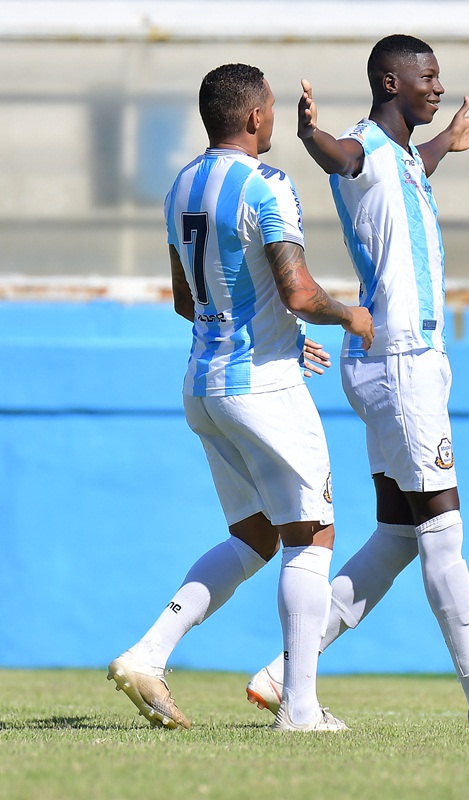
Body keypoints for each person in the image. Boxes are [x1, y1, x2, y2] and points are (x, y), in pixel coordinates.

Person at [243, 34, 469, 733]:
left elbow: (409, 163)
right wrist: (309, 134)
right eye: (427, 77)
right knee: (444, 531)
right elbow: (343, 157)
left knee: (401, 535)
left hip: (402, 361)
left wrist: (446, 145)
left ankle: (285, 674)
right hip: (400, 362)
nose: (439, 87)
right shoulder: (363, 147)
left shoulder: (401, 155)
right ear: (390, 82)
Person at [107, 63, 374, 733]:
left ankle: (147, 654)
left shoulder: (180, 186)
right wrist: (351, 317)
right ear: (256, 117)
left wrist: (283, 338)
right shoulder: (267, 184)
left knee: (256, 535)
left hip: (205, 383)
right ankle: (301, 709)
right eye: (272, 109)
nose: (274, 118)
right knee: (312, 533)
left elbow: (187, 300)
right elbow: (299, 292)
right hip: (261, 387)